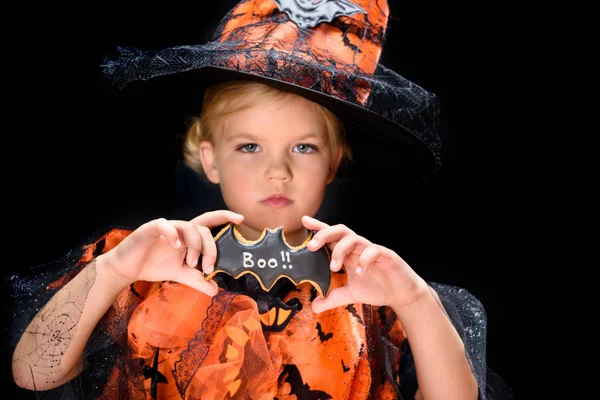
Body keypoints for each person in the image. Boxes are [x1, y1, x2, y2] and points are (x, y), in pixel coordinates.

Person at [9, 0, 514, 399]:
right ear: (210, 159)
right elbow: (33, 373)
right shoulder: (142, 264)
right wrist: (114, 270)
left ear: (333, 162)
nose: (278, 169)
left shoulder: (372, 289)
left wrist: (415, 301)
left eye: (304, 147)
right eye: (248, 147)